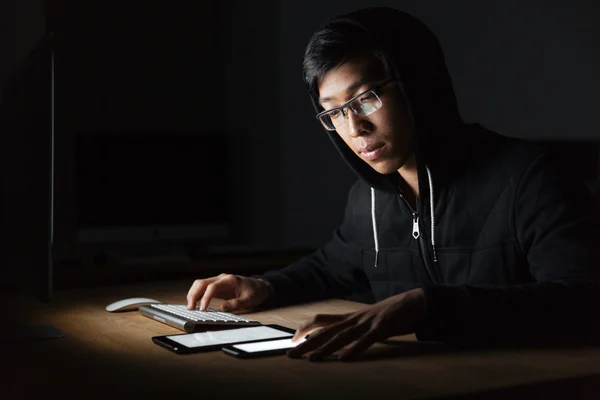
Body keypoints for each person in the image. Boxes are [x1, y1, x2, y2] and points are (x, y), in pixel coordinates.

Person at [187, 7, 600, 361]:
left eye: (366, 98)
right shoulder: (368, 197)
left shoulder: (528, 177)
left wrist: (424, 307)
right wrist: (264, 285)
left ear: (420, 85)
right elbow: (330, 267)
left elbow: (583, 300)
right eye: (334, 113)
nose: (354, 128)